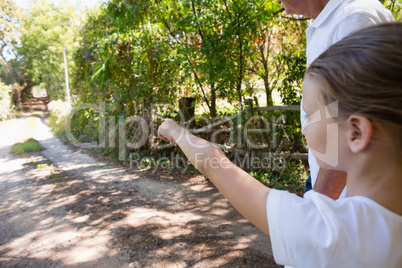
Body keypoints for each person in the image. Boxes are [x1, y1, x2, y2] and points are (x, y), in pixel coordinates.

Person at [158, 23, 402, 267]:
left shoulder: (331, 235)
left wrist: (175, 131)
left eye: (310, 116)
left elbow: (215, 164)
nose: (304, 128)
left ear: (356, 133)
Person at [279, 0, 394, 199]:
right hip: (330, 178)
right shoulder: (329, 21)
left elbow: (348, 125)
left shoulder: (353, 18)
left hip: (349, 198)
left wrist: (322, 202)